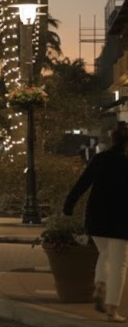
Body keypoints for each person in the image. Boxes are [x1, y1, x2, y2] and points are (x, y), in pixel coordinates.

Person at [64, 121, 128, 322]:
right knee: (119, 264)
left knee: (105, 254)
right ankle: (112, 308)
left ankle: (100, 283)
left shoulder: (100, 159)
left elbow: (82, 183)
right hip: (121, 219)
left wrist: (69, 204)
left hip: (97, 216)